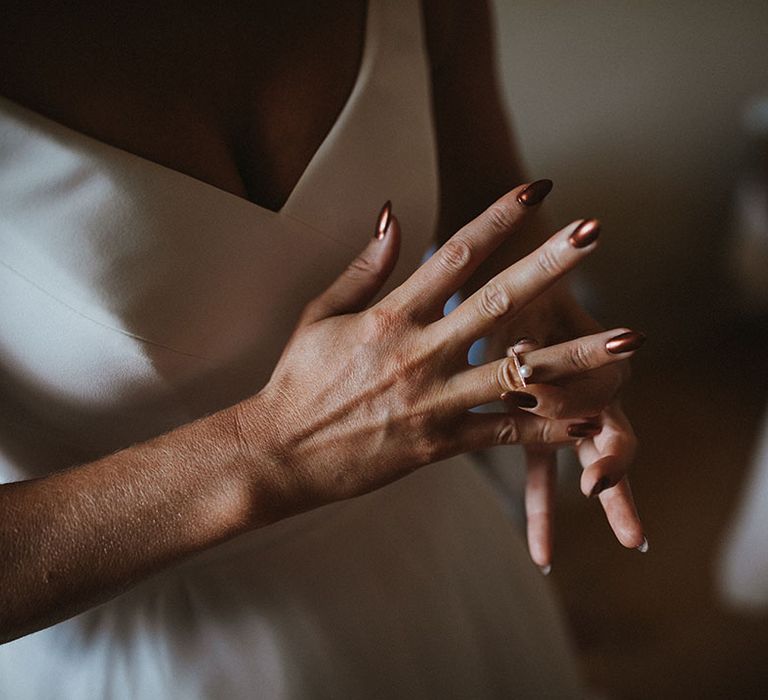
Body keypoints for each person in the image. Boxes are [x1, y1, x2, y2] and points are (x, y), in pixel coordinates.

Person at [0, 1, 646, 696]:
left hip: (441, 560)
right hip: (165, 652)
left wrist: (532, 313)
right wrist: (270, 447)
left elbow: (491, 195)